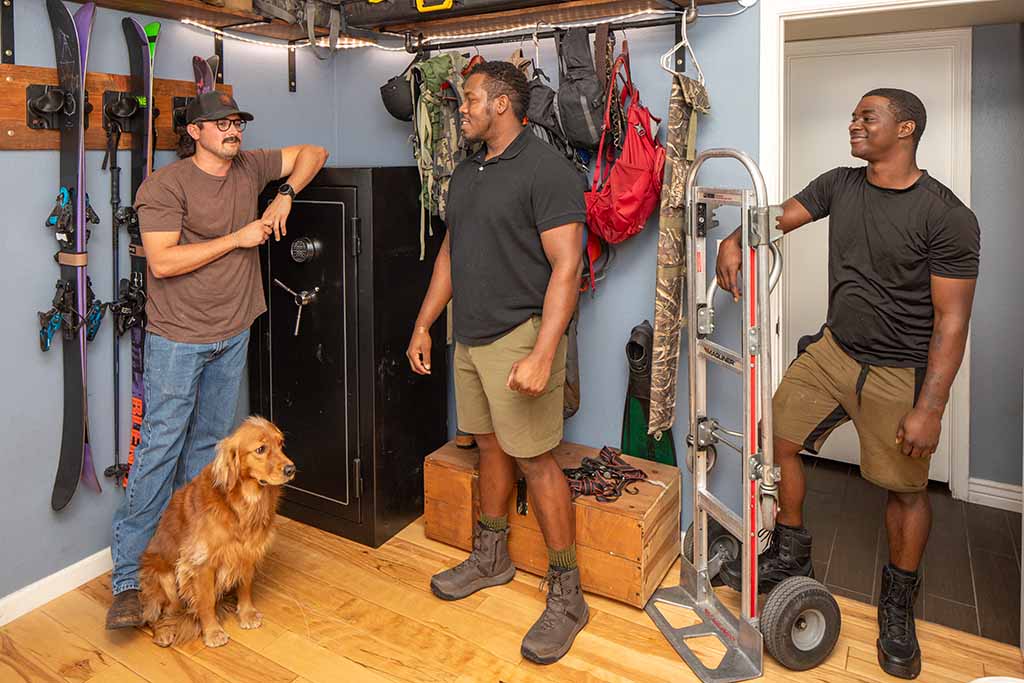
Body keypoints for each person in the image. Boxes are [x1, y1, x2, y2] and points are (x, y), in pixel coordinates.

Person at [715, 88, 979, 679]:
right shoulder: (841, 183)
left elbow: (953, 320)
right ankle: (789, 550)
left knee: (905, 490)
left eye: (869, 116)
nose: (855, 123)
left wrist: (930, 407)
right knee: (776, 440)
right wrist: (735, 238)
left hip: (899, 370)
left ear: (906, 128)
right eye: (856, 115)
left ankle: (897, 604)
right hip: (834, 350)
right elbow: (777, 217)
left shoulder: (946, 215)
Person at [105, 91, 329, 629]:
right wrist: (238, 238)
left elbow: (313, 151)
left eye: (236, 122)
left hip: (233, 331)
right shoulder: (166, 185)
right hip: (179, 337)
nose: (232, 131)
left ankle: (193, 565)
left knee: (208, 451)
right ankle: (128, 581)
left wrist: (285, 197)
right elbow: (161, 261)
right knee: (161, 447)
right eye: (219, 124)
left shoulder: (250, 168)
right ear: (195, 132)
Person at [406, 61, 587, 665]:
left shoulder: (547, 170)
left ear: (504, 105)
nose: (463, 109)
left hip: (521, 334)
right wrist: (425, 324)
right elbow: (451, 255)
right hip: (471, 336)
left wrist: (542, 353)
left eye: (472, 100)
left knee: (536, 460)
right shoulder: (466, 171)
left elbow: (569, 267)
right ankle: (493, 557)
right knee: (487, 447)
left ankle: (568, 595)